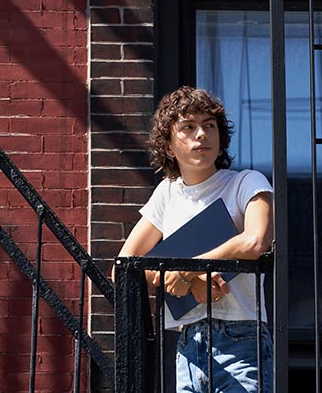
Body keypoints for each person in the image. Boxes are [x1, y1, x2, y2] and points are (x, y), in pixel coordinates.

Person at [116, 86, 274, 393]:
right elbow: (124, 269)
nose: (201, 134)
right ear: (170, 145)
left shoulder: (246, 182)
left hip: (241, 338)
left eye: (209, 126)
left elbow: (256, 241)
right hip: (188, 346)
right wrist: (182, 280)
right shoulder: (167, 192)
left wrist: (188, 269)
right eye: (188, 127)